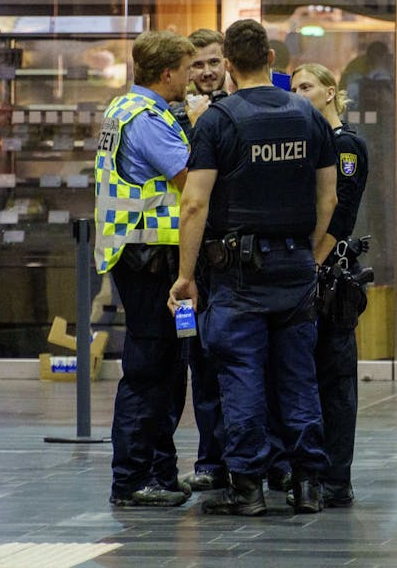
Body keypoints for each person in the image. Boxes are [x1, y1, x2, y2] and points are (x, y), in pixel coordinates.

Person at [170, 19, 336, 516]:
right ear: (269, 57)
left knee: (240, 375)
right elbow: (328, 196)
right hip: (295, 266)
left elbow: (194, 203)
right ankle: (308, 483)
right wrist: (305, 246)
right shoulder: (307, 115)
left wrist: (186, 274)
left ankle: (246, 487)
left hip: (238, 271)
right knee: (298, 375)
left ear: (230, 65)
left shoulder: (219, 120)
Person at [96, 30, 197, 507]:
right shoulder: (148, 119)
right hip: (150, 256)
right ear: (167, 73)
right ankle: (132, 479)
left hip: (143, 253)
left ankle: (157, 471)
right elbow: (189, 180)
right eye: (187, 68)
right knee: (149, 369)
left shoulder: (124, 108)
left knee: (165, 368)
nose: (193, 76)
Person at [293, 62, 371, 507]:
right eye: (295, 86)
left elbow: (341, 213)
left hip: (330, 274)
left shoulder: (345, 146)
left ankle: (336, 478)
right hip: (303, 270)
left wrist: (313, 262)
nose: (300, 93)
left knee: (336, 380)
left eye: (308, 86)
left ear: (329, 91)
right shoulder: (306, 144)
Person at [171, 27, 228, 493]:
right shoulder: (174, 117)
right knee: (202, 363)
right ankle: (211, 461)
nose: (206, 71)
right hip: (195, 258)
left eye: (213, 61)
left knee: (247, 361)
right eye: (197, 65)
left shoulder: (243, 108)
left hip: (239, 254)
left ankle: (258, 459)